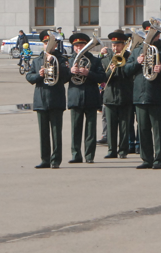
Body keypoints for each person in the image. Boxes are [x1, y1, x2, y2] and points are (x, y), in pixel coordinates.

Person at [126, 21, 161, 169]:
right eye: (148, 32)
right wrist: (137, 62)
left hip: (157, 97)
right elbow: (126, 71)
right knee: (142, 130)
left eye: (154, 33)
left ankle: (160, 159)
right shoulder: (137, 51)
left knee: (158, 130)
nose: (150, 35)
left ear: (159, 35)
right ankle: (146, 159)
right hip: (140, 96)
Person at [26, 30, 71, 169]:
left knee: (56, 133)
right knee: (43, 133)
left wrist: (55, 64)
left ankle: (56, 160)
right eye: (46, 43)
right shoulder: (37, 60)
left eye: (51, 43)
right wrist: (39, 75)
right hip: (41, 100)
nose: (48, 45)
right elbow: (29, 77)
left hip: (56, 100)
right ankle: (45, 159)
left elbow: (66, 77)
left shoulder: (62, 59)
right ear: (43, 44)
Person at [67, 33, 107, 164]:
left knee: (90, 130)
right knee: (75, 129)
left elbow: (102, 77)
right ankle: (76, 155)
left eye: (81, 45)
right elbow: (62, 78)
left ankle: (89, 156)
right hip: (75, 97)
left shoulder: (94, 60)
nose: (79, 48)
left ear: (86, 46)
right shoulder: (69, 60)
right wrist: (69, 72)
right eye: (76, 46)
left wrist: (88, 73)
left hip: (90, 97)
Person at [101, 30, 134, 160]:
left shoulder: (129, 57)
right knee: (111, 125)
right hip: (109, 97)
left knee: (124, 126)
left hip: (125, 95)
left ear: (123, 45)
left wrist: (121, 66)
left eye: (118, 45)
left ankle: (123, 150)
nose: (115, 48)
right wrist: (111, 70)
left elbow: (130, 74)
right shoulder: (107, 58)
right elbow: (104, 77)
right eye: (114, 45)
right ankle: (111, 150)